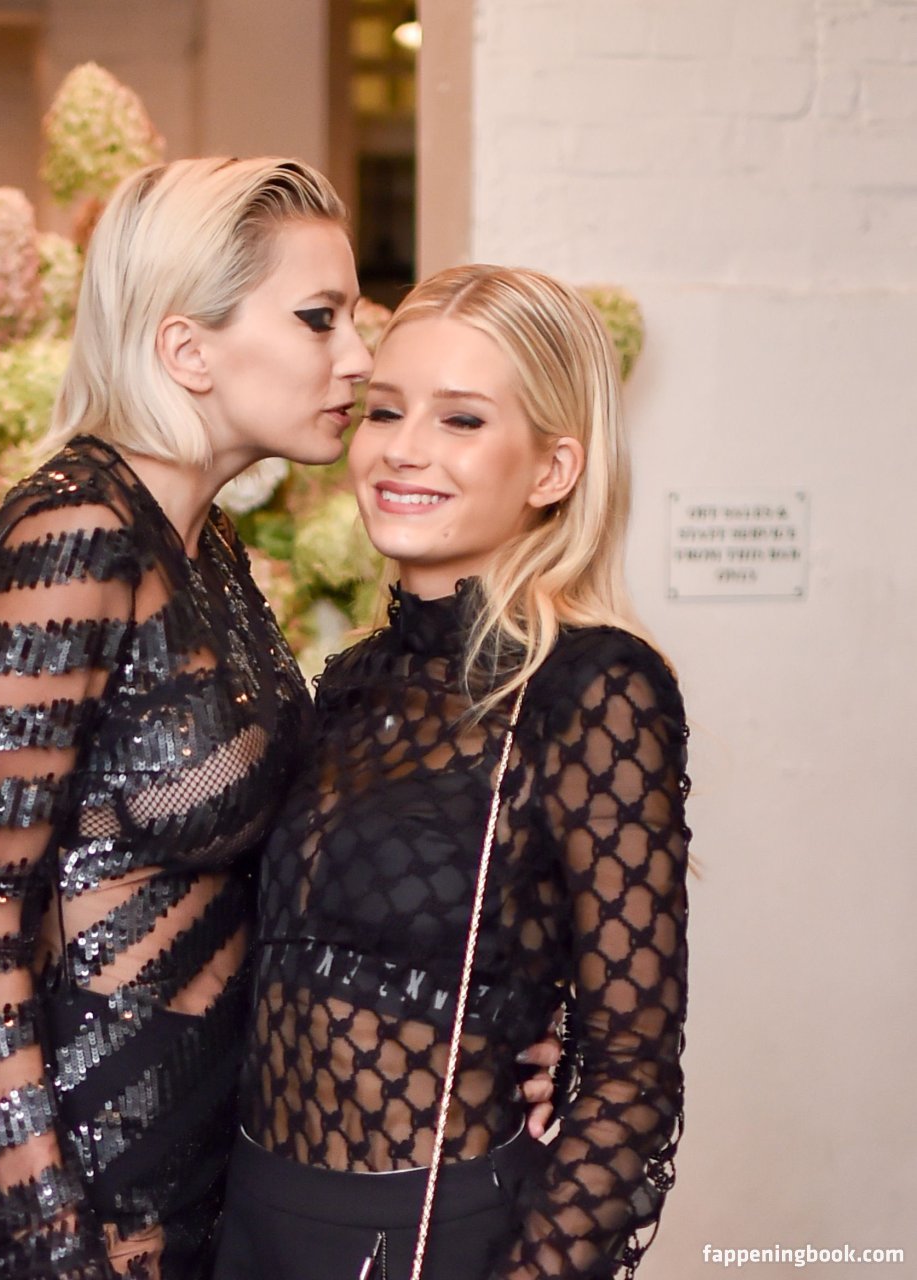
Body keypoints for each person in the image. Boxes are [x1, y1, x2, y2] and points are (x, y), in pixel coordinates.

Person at [0, 156, 373, 1280]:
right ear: (187, 349)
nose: (358, 356)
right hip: (82, 1203)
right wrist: (50, 1233)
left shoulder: (203, 541)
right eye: (319, 317)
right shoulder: (73, 531)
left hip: (206, 1183)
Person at [216, 265, 690, 1280]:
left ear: (553, 468)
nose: (403, 447)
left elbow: (632, 1073)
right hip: (247, 1214)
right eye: (385, 409)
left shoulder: (594, 686)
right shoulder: (351, 681)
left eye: (462, 419)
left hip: (431, 1231)